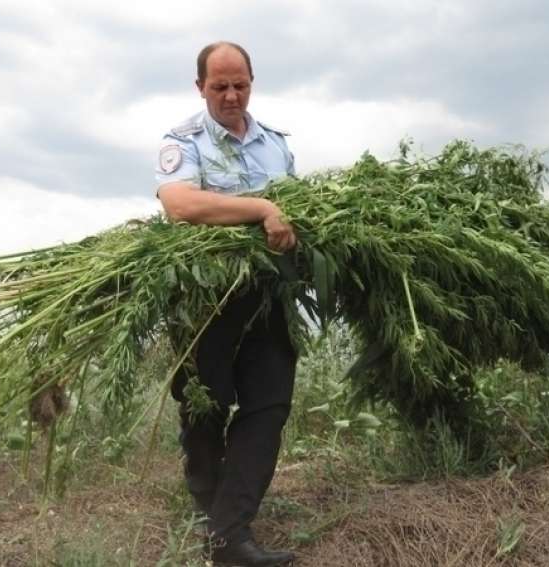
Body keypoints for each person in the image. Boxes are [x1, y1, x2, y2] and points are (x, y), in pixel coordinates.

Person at [155, 41, 297, 567]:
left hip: (267, 297)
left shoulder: (276, 146)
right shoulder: (182, 141)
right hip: (205, 299)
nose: (232, 95)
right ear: (201, 87)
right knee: (204, 406)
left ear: (252, 81)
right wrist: (261, 207)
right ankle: (207, 512)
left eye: (240, 84)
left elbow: (298, 213)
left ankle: (230, 534)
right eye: (220, 87)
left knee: (268, 405)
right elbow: (180, 204)